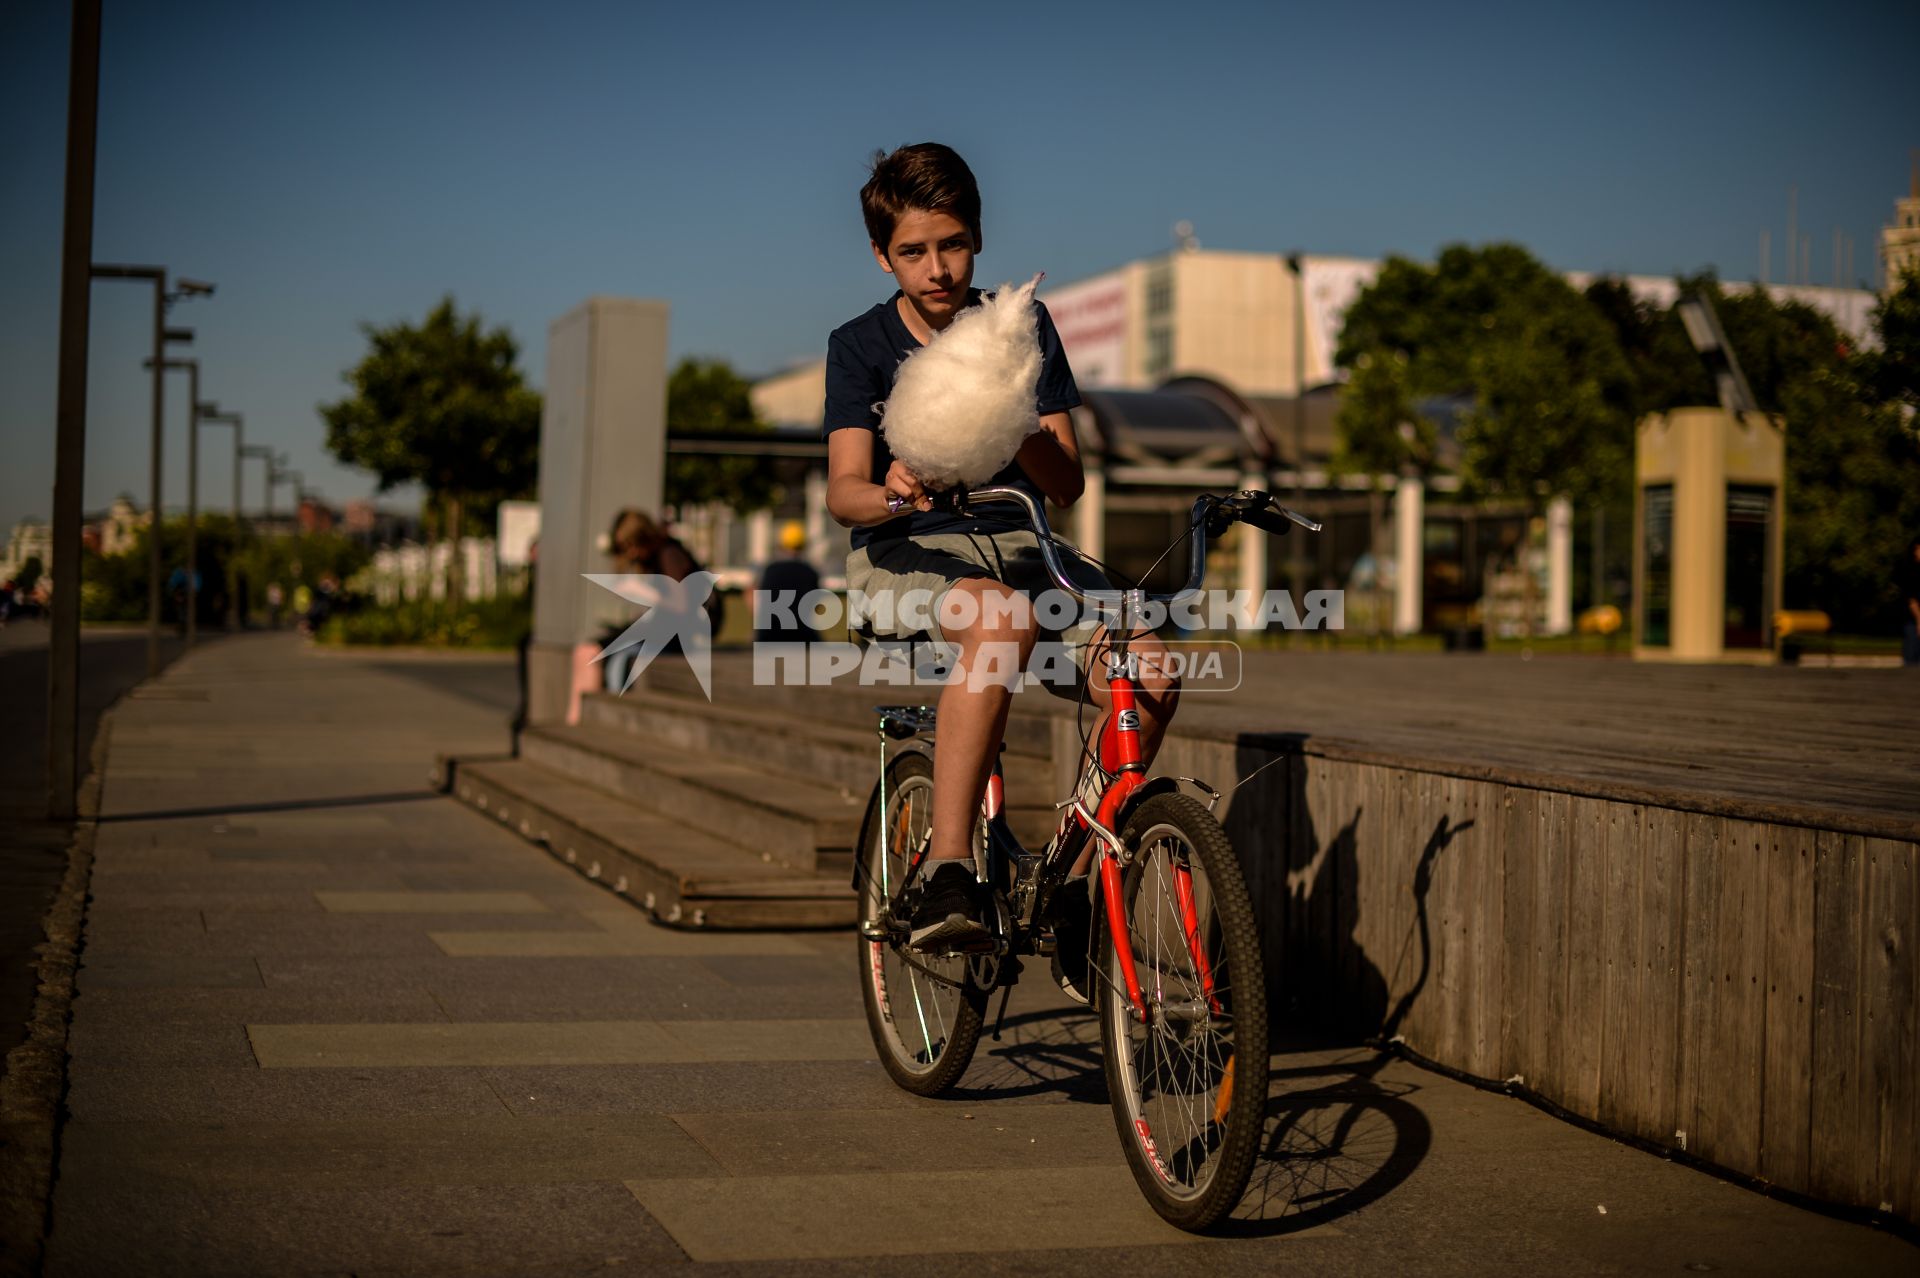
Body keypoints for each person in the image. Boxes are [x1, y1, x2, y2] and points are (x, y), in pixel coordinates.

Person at [822, 142, 1181, 956]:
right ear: (883, 256)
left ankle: (1070, 873)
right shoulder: (860, 344)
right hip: (905, 553)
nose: (937, 268)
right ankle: (950, 868)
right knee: (1003, 623)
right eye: (913, 251)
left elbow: (1067, 484)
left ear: (977, 237)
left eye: (952, 244)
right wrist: (892, 488)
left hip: (1023, 541)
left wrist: (1013, 414)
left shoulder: (1020, 325)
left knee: (1152, 673)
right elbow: (843, 489)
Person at [602, 509, 706, 690]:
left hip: (690, 634)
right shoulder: (656, 557)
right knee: (618, 656)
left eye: (630, 546)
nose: (631, 554)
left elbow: (681, 605)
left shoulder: (668, 554)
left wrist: (644, 592)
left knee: (622, 658)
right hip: (672, 631)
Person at [755, 520, 822, 644]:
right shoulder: (810, 572)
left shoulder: (769, 570)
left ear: (781, 544)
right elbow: (816, 607)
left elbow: (755, 600)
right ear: (803, 545)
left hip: (769, 637)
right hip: (802, 636)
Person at [1901, 536, 1920, 667]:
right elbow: (1912, 600)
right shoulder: (1911, 572)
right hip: (1913, 623)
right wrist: (1919, 621)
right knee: (1911, 662)